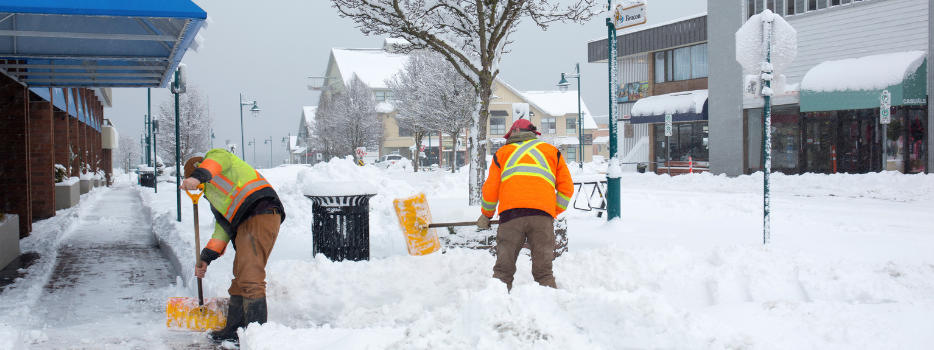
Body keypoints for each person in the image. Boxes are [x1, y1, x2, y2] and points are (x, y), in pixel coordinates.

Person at [179, 149, 286, 342]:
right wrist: (206, 257)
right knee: (240, 276)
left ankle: (258, 338)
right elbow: (223, 228)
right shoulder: (212, 193)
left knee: (251, 277)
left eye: (198, 179)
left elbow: (214, 163)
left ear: (199, 169)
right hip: (246, 221)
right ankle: (235, 331)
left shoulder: (218, 156)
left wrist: (196, 178)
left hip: (261, 211)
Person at [478, 119, 574, 292]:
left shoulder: (502, 153)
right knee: (544, 273)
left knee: (503, 272)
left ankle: (496, 309)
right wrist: (551, 211)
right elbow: (567, 189)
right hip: (542, 217)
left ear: (514, 133)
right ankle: (550, 310)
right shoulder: (552, 152)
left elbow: (491, 189)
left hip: (511, 216)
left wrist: (486, 215)